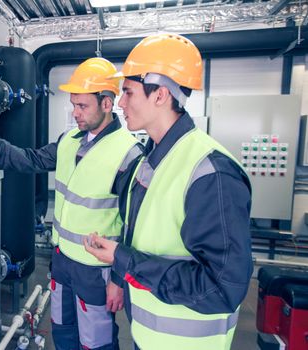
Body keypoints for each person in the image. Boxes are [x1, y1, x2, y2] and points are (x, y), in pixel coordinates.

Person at [84, 34, 253, 350]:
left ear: (160, 95)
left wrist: (126, 260)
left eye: (128, 92)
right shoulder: (151, 159)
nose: (120, 103)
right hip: (148, 337)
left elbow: (222, 288)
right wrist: (120, 265)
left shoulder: (211, 173)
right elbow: (149, 238)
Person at [0, 57, 144, 350]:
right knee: (62, 333)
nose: (76, 114)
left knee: (95, 342)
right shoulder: (69, 140)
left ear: (107, 103)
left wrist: (118, 280)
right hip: (62, 261)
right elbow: (30, 159)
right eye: (74, 105)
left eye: (83, 106)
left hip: (95, 271)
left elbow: (134, 226)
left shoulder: (129, 153)